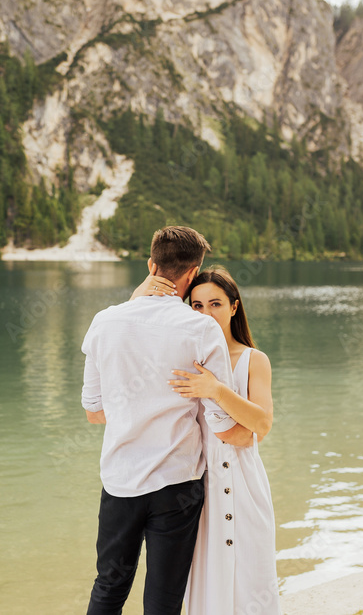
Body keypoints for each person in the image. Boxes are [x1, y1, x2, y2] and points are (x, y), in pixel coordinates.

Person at [81, 227, 252, 614]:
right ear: (193, 275)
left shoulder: (104, 323)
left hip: (120, 480)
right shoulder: (202, 328)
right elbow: (222, 420)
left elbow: (94, 412)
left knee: (109, 586)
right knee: (163, 598)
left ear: (150, 265)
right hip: (177, 485)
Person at [134, 265, 280, 615]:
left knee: (251, 579)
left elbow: (260, 425)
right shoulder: (182, 360)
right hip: (196, 489)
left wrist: (215, 389)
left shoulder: (252, 360)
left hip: (245, 486)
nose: (206, 314)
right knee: (206, 583)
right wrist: (139, 294)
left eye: (215, 304)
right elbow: (130, 336)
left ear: (234, 307)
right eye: (197, 306)